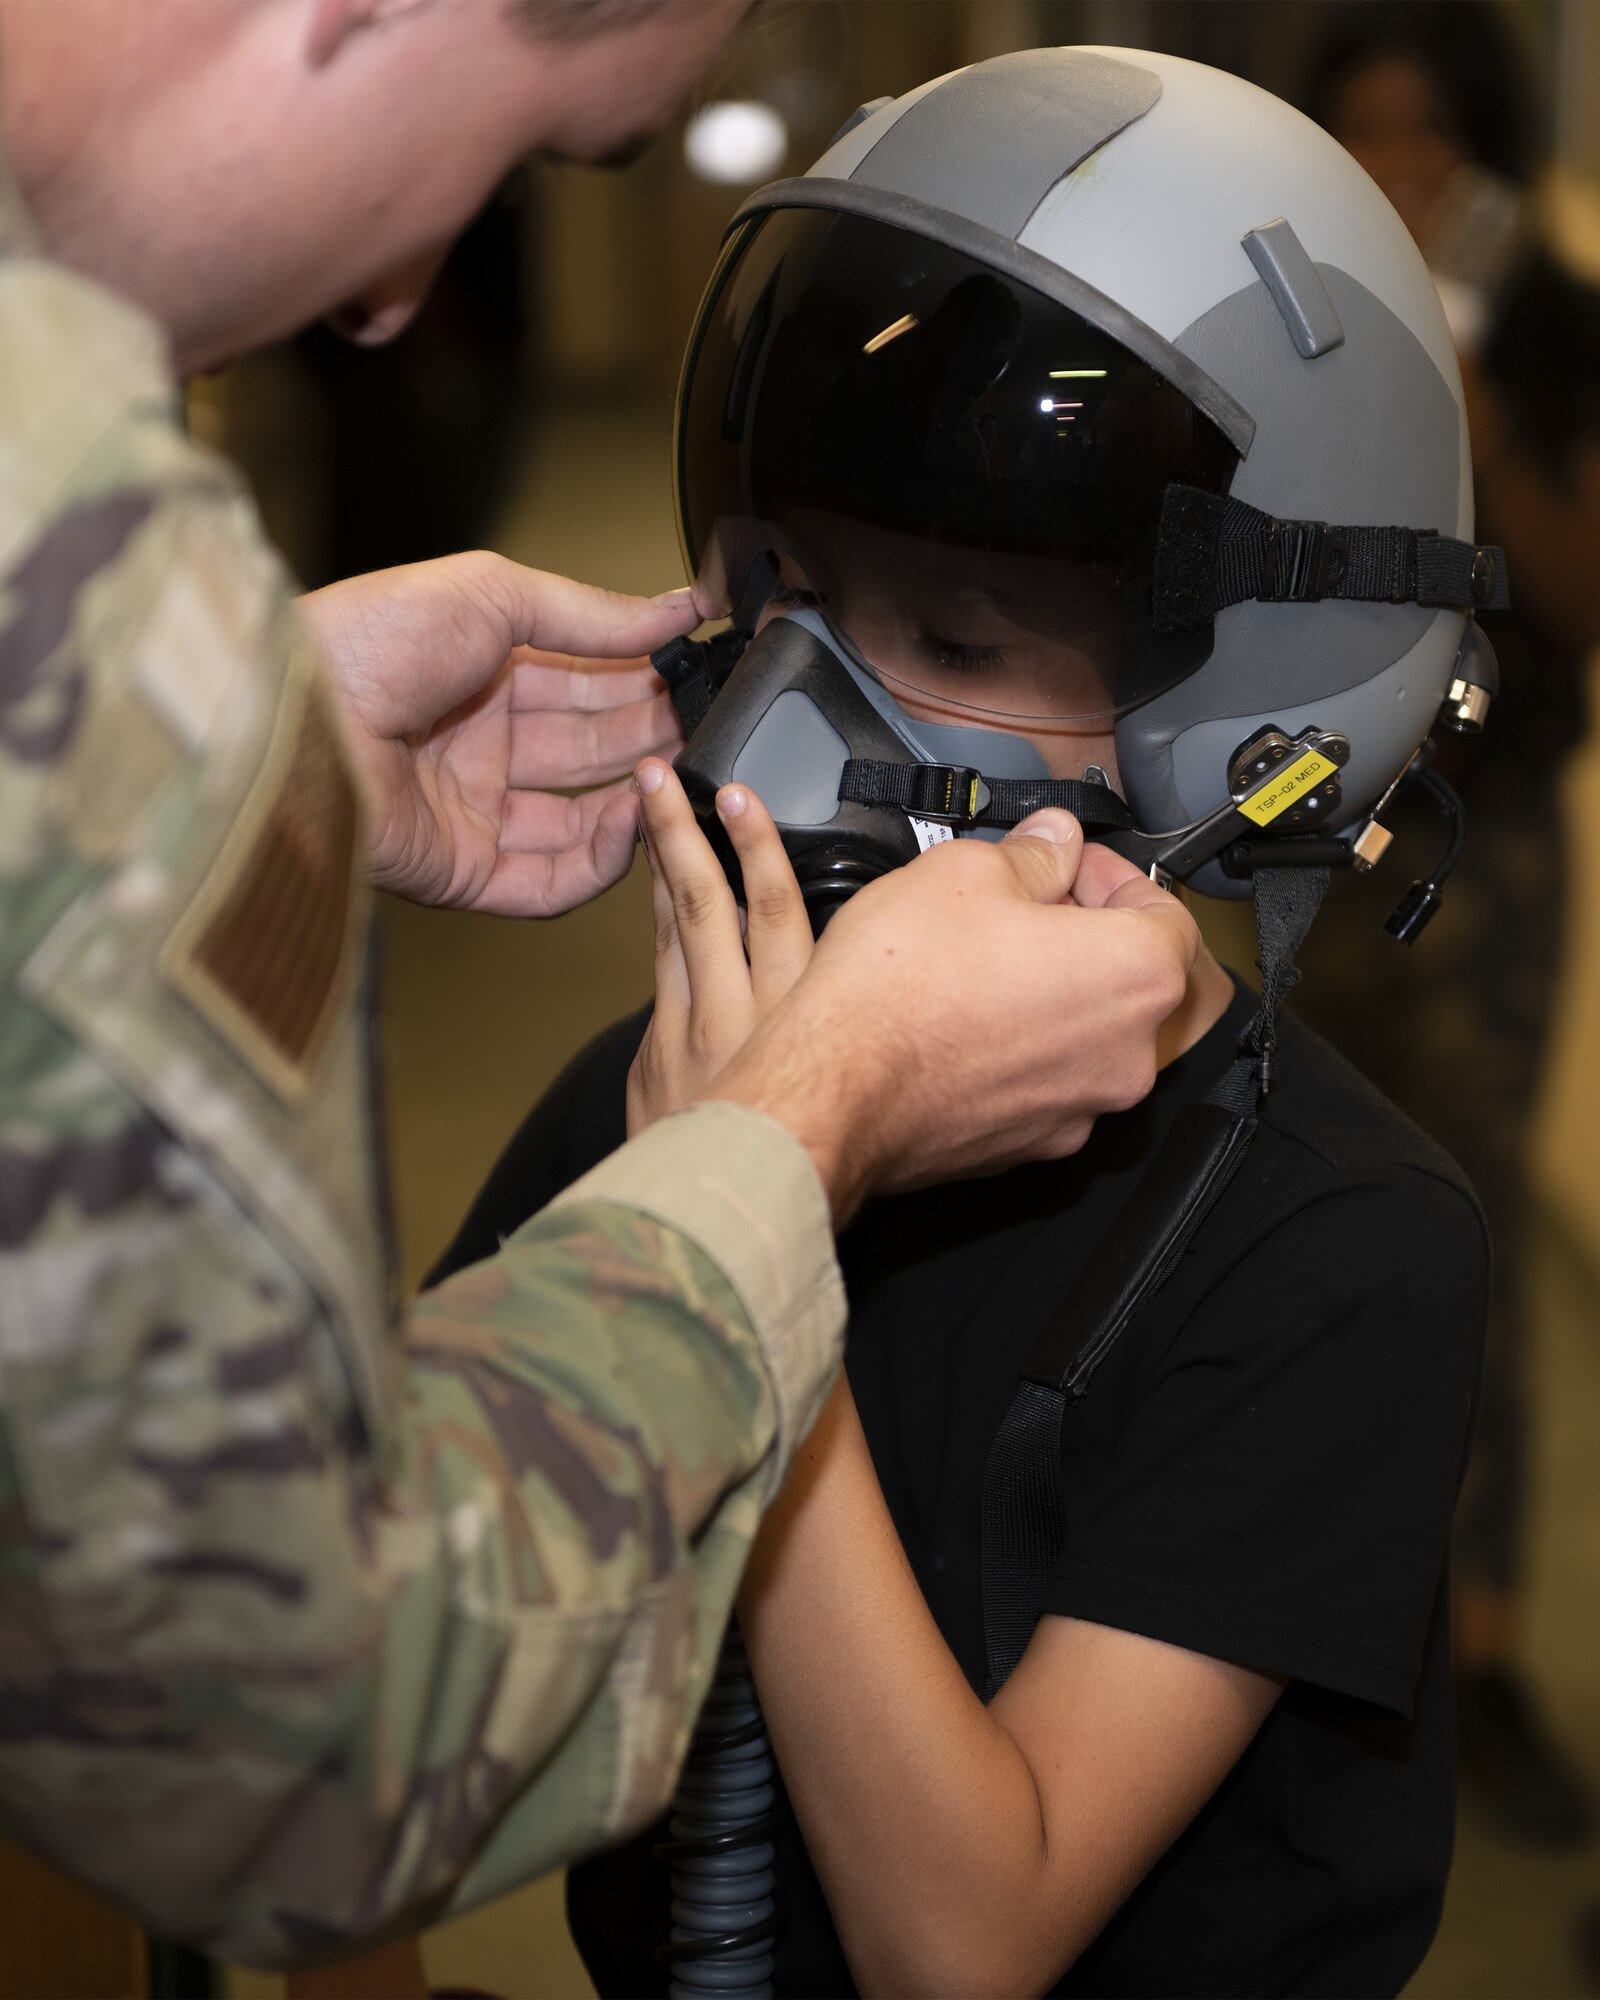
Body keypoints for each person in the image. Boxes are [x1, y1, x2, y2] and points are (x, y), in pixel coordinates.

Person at [0, 0, 1206, 1969]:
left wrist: (227, 729)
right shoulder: (74, 537)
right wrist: (795, 1131)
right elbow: (285, 1746)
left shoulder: (1337, 1247)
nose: (397, 299)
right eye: (514, 159)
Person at [434, 46, 1496, 1995]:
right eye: (800, 597)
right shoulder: (661, 1092)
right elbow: (352, 1633)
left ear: (1272, 704)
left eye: (955, 641)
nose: (787, 713)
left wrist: (748, 1204)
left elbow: (962, 1940)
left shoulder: (1337, 1246)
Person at [1298, 0, 1600, 1849]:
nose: (1402, 179)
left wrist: (1474, 398)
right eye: (1367, 143)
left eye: (1434, 143)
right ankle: (1324, 1648)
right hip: (1302, 829)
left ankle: (1478, 1656)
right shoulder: (1289, 306)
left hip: (1486, 845)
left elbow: (1580, 584)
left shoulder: (1556, 316)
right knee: (1298, 1228)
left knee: (1470, 1241)